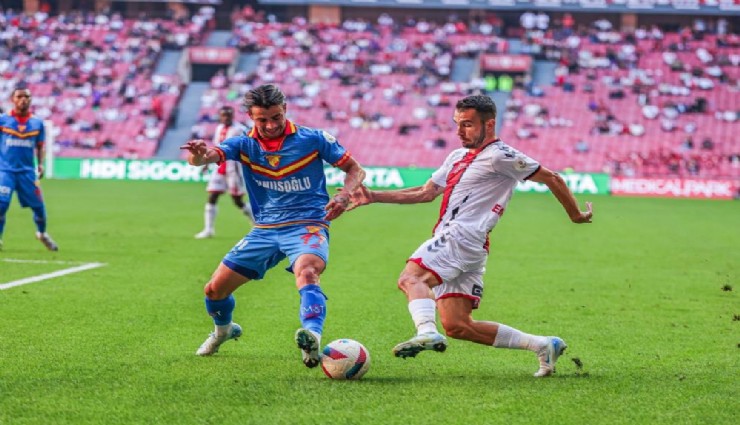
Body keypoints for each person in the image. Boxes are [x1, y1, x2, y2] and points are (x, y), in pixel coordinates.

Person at [345, 95, 592, 377]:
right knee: (458, 325)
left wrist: (575, 215)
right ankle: (544, 345)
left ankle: (426, 331)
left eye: (468, 125)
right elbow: (426, 192)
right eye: (457, 124)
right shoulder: (457, 156)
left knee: (411, 279)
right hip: (471, 245)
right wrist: (374, 196)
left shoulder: (500, 155)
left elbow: (552, 177)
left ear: (490, 124)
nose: (460, 131)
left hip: (461, 235)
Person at [180, 84, 366, 367]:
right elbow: (203, 159)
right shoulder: (243, 144)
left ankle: (312, 337)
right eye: (262, 120)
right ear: (251, 117)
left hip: (307, 224)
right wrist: (197, 154)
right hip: (265, 229)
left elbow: (355, 169)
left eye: (276, 117)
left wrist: (344, 194)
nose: (270, 125)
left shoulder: (313, 139)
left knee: (308, 271)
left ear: (285, 110)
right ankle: (223, 331)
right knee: (214, 291)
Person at [0, 88, 58, 251]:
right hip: (5, 171)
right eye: (19, 96)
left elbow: (40, 146)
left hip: (27, 172)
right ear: (12, 99)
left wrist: (40, 164)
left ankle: (42, 233)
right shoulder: (3, 120)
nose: (23, 99)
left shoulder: (37, 123)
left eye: (26, 96)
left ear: (31, 100)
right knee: (1, 205)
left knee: (38, 206)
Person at [194, 106, 254, 239]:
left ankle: (257, 224)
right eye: (223, 115)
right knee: (212, 195)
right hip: (219, 167)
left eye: (228, 115)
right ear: (220, 116)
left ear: (232, 116)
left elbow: (248, 147)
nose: (226, 118)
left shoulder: (239, 129)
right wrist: (206, 164)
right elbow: (216, 148)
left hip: (234, 168)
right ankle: (208, 229)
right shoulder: (219, 128)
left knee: (237, 200)